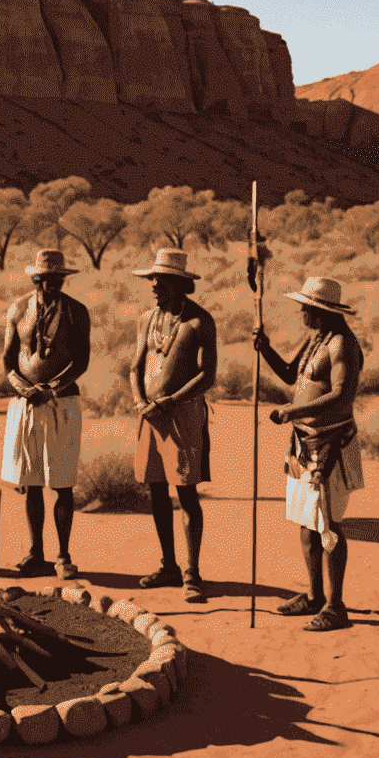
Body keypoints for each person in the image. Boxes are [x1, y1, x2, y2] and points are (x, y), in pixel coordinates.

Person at [254, 276, 365, 632]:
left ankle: (336, 606)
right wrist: (266, 349)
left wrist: (292, 411)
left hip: (329, 444)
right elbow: (290, 374)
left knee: (329, 527)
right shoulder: (316, 339)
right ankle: (315, 596)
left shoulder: (342, 345)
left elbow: (341, 396)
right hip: (304, 444)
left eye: (307, 307)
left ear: (322, 311)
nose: (301, 311)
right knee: (306, 524)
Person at [128, 249, 217, 601]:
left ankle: (192, 572)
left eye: (159, 280)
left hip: (182, 416)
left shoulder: (199, 321)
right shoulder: (147, 319)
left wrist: (169, 402)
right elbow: (134, 367)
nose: (152, 285)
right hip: (149, 415)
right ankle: (168, 565)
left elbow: (207, 375)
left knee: (186, 492)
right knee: (156, 489)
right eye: (151, 279)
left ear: (179, 284)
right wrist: (141, 403)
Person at [0, 249, 91, 580]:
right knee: (31, 482)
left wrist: (52, 387)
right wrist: (22, 388)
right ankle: (35, 553)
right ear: (36, 278)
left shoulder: (76, 312)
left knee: (62, 483)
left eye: (60, 279)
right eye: (48, 279)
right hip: (26, 403)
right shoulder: (18, 309)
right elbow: (8, 360)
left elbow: (81, 360)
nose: (55, 284)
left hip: (61, 403)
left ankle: (63, 556)